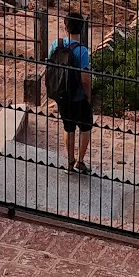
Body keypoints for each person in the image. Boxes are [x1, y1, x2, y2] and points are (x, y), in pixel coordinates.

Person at [49, 9, 94, 174]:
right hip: (78, 96)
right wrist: (88, 95)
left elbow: (51, 66)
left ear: (65, 26)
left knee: (68, 128)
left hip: (62, 94)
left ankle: (69, 161)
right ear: (82, 29)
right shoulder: (82, 51)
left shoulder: (56, 44)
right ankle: (80, 161)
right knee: (85, 127)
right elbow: (85, 78)